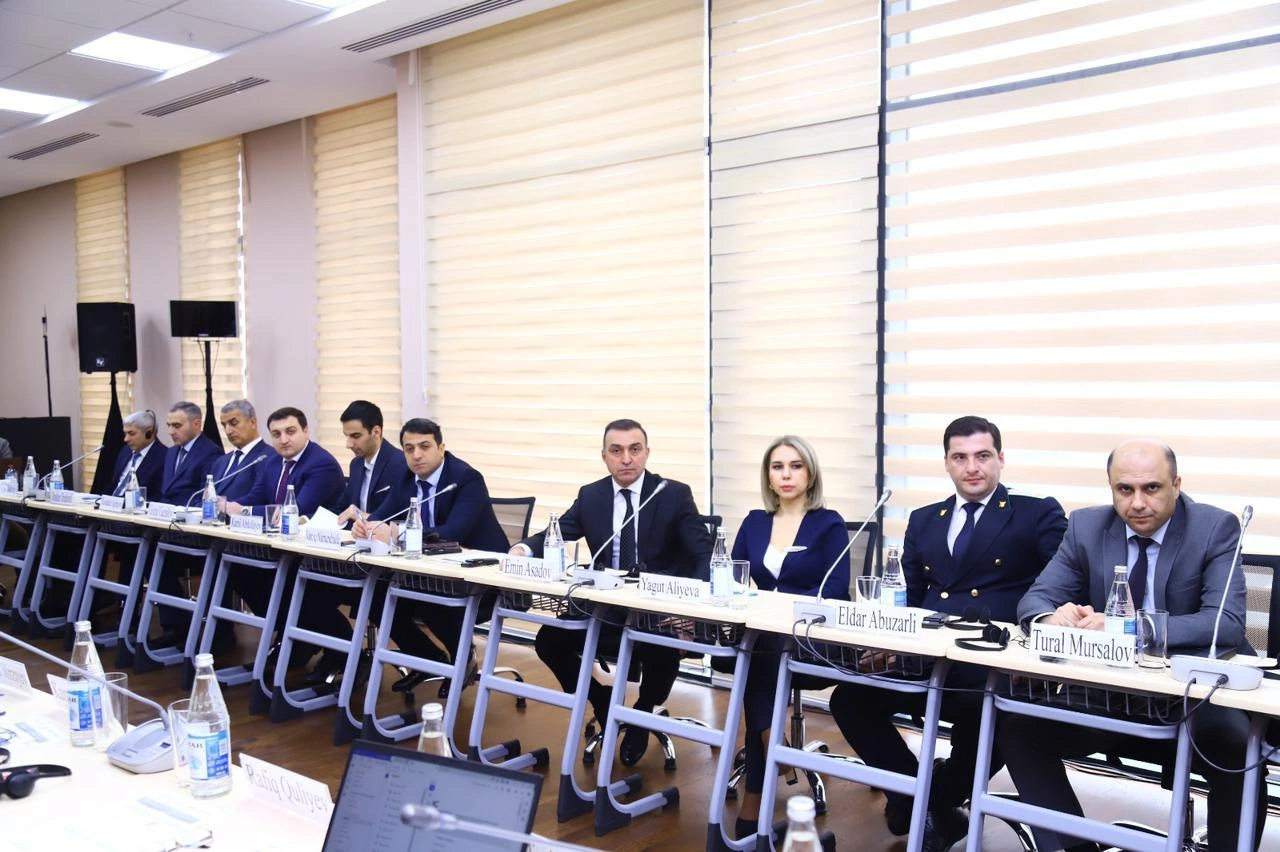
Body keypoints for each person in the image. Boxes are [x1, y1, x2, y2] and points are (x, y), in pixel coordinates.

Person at [1000, 439, 1264, 852]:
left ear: (1176, 485)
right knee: (1018, 730)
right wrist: (1053, 618)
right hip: (1112, 693)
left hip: (1192, 695)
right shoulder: (1086, 527)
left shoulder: (1214, 527)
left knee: (1239, 751)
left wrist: (1129, 629)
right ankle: (1074, 848)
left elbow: (1224, 624)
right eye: (1125, 489)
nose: (1138, 502)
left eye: (1151, 488)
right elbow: (1035, 601)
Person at [829, 415, 1067, 852]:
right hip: (925, 658)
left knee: (994, 719)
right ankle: (916, 795)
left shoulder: (1035, 514)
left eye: (982, 456)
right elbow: (908, 597)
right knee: (849, 698)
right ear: (946, 463)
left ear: (1001, 459)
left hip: (990, 665)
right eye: (960, 457)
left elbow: (1064, 585)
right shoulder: (925, 519)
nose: (972, 467)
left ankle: (932, 800)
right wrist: (888, 639)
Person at [511, 418, 713, 766]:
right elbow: (557, 533)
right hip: (608, 610)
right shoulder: (592, 496)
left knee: (659, 645)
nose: (626, 459)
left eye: (635, 450)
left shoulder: (672, 494)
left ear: (647, 453)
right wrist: (523, 549)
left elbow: (705, 556)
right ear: (604, 456)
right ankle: (601, 701)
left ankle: (642, 713)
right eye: (616, 451)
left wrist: (690, 611)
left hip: (658, 613)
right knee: (549, 641)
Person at [730, 436, 849, 839]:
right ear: (767, 475)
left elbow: (836, 590)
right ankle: (772, 744)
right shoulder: (754, 522)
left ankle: (757, 785)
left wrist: (779, 606)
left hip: (810, 639)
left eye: (796, 466)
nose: (786, 474)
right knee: (757, 653)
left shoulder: (829, 524)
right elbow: (732, 577)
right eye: (777, 466)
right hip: (764, 639)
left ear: (810, 473)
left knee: (756, 657)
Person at [352, 417, 507, 696]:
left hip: (481, 578)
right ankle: (426, 659)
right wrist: (367, 526)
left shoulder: (465, 479)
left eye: (424, 446)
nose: (417, 455)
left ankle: (462, 661)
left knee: (428, 596)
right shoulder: (404, 477)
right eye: (409, 448)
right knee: (375, 595)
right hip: (431, 573)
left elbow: (454, 533)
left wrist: (398, 533)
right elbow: (382, 516)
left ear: (441, 448)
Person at [224, 407, 346, 681]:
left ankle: (339, 651)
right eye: (276, 434)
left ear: (306, 431)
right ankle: (297, 637)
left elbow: (293, 511)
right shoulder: (272, 461)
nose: (283, 440)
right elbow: (256, 497)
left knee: (293, 589)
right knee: (240, 572)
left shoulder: (320, 464)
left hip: (322, 557)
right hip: (284, 551)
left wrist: (242, 511)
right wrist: (231, 505)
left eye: (290, 432)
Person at [335, 400, 407, 526]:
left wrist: (359, 515)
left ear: (376, 432)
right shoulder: (356, 464)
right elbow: (342, 509)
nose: (348, 444)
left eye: (356, 436)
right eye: (347, 436)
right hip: (355, 535)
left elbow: (401, 519)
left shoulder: (401, 464)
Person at [158, 401, 222, 506]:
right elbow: (166, 491)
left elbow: (205, 497)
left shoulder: (211, 453)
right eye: (168, 425)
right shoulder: (171, 451)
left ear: (196, 424)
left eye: (177, 426)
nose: (171, 432)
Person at [214, 399, 277, 504]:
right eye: (224, 425)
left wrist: (223, 507)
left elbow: (257, 498)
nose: (228, 431)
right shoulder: (220, 462)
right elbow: (204, 495)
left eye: (234, 423)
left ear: (253, 422)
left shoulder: (269, 457)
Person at [103, 410, 166, 499]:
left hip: (136, 506)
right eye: (125, 434)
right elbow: (113, 484)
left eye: (131, 433)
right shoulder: (125, 451)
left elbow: (158, 496)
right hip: (110, 503)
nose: (126, 439)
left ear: (149, 432)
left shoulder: (165, 457)